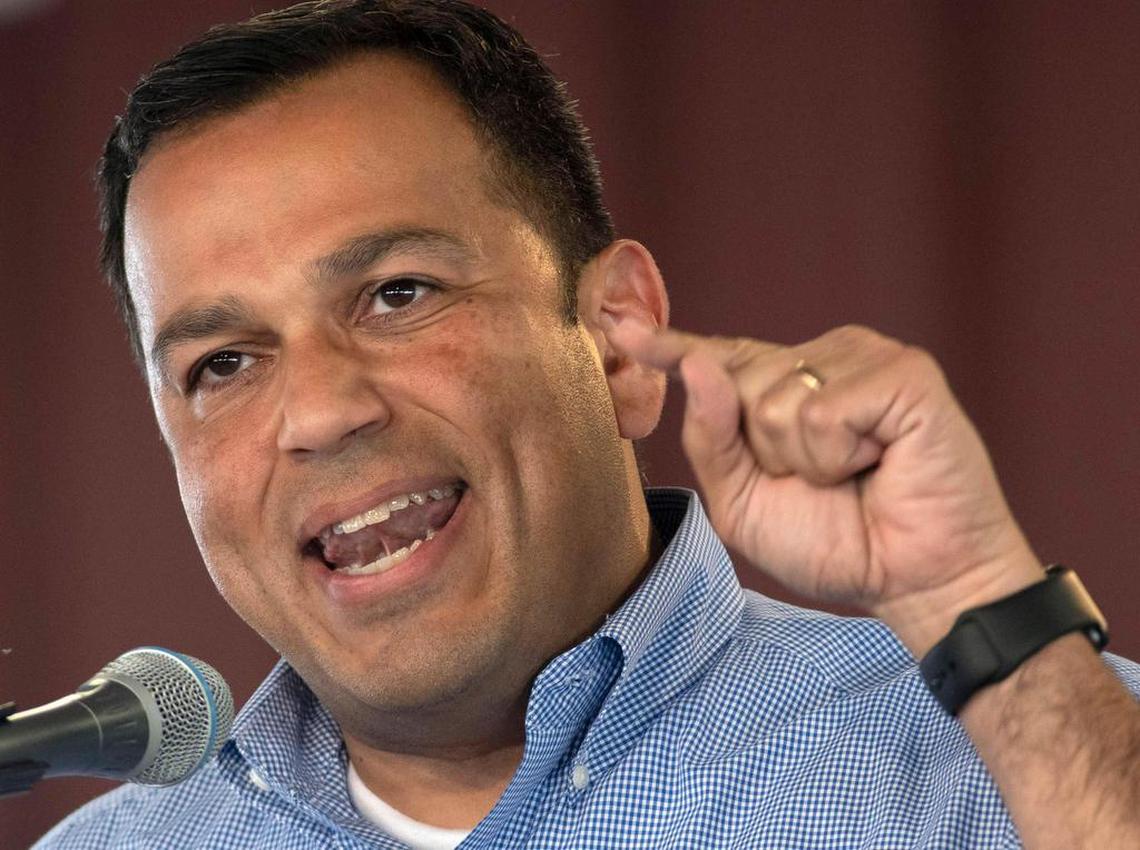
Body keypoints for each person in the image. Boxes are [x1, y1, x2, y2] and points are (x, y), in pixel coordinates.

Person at [35, 1, 1140, 848]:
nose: (321, 412)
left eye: (399, 292)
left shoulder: (1022, 753)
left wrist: (982, 620)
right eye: (222, 363)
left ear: (616, 337)